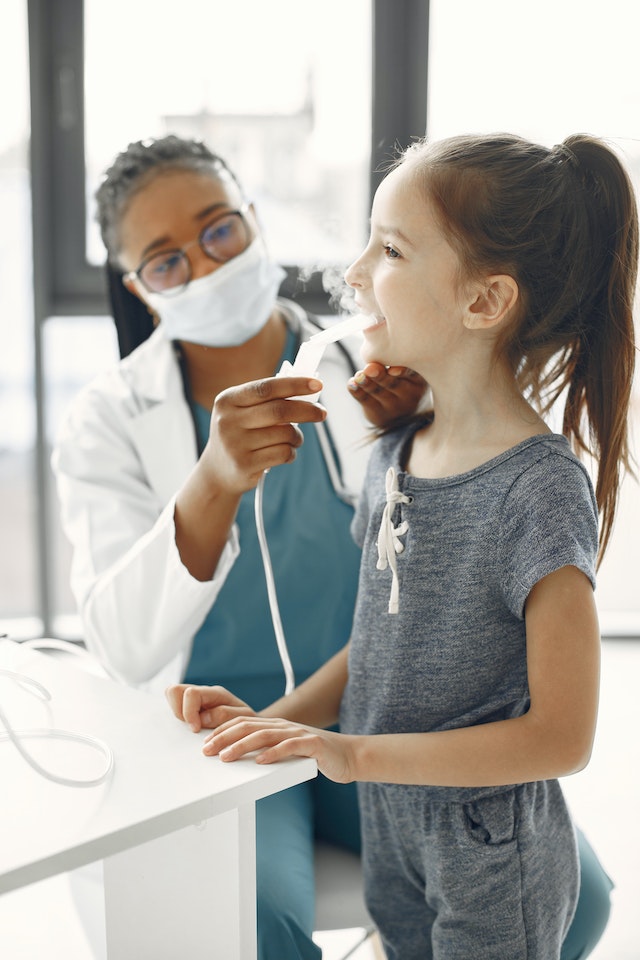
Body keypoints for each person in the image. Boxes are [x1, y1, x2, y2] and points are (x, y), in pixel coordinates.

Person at [166, 132, 636, 959]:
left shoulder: (537, 490)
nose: (352, 274)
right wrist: (273, 727)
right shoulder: (395, 450)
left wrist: (349, 753)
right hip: (396, 835)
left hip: (493, 871)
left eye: (388, 248)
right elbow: (378, 647)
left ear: (484, 302)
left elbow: (564, 737)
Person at [52, 134, 426, 960]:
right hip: (218, 736)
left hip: (373, 698)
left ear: (256, 223)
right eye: (166, 261)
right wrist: (213, 483)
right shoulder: (109, 420)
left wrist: (417, 434)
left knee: (565, 891)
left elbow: (440, 563)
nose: (205, 266)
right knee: (252, 924)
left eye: (219, 230)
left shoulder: (375, 365)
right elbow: (121, 644)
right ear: (140, 291)